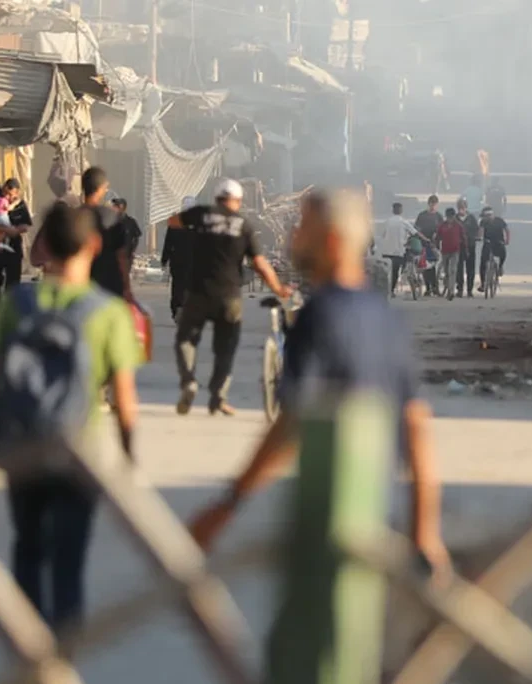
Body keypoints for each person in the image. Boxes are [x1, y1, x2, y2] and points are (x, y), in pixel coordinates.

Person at [187, 186, 450, 574]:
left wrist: (227, 506)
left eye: (302, 227)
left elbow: (292, 422)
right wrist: (425, 533)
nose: (294, 236)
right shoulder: (386, 318)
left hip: (325, 512)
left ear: (330, 240)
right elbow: (414, 423)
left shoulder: (319, 316)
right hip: (376, 508)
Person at [0, 202, 141, 641]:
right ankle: (61, 668)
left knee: (28, 550)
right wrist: (129, 464)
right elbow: (126, 404)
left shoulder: (17, 303)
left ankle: (28, 656)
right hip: (79, 452)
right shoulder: (108, 312)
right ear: (94, 246)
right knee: (69, 563)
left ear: (44, 248)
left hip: (23, 447)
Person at [167, 177, 291, 416]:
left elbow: (173, 222)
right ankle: (218, 397)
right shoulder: (243, 225)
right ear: (238, 201)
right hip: (229, 296)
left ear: (216, 198)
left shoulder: (201, 214)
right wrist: (278, 288)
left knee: (186, 339)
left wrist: (191, 227)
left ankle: (189, 382)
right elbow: (260, 264)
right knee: (225, 349)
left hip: (198, 292)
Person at [80, 167, 132, 301]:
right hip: (108, 288)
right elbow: (122, 256)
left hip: (79, 288)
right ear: (101, 188)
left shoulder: (71, 218)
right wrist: (126, 287)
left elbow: (37, 256)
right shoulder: (111, 217)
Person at [0, 178, 33, 315]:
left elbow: (26, 226)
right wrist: (5, 230)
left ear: (17, 193)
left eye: (11, 194)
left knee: (13, 281)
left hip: (14, 248)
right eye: (5, 193)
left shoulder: (21, 206)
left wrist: (15, 231)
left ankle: (8, 311)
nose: (8, 197)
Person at [161, 195, 198, 319]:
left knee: (178, 286)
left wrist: (164, 259)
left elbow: (168, 242)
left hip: (178, 261)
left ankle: (177, 308)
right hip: (191, 262)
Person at [376, 202, 419, 297]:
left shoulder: (387, 222)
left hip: (387, 251)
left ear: (393, 210)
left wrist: (378, 247)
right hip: (398, 251)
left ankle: (387, 290)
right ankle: (391, 291)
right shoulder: (403, 222)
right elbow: (415, 233)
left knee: (387, 272)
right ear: (401, 211)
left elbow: (381, 236)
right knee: (395, 272)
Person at [435, 207, 466, 302]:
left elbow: (464, 238)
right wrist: (436, 247)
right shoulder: (442, 226)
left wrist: (466, 250)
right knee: (447, 272)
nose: (450, 219)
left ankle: (451, 291)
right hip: (444, 251)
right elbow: (437, 237)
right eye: (448, 217)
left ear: (454, 217)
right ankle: (447, 286)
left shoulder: (458, 226)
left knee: (452, 270)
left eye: (451, 217)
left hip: (455, 251)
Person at [414, 195, 442, 296]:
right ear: (428, 204)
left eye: (434, 204)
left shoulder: (439, 216)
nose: (432, 206)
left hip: (434, 244)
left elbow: (442, 230)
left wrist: (436, 235)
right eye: (431, 204)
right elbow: (416, 229)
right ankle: (429, 287)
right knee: (425, 266)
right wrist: (422, 237)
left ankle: (434, 287)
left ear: (437, 205)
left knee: (433, 266)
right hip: (424, 243)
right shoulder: (422, 216)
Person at [478, 207, 510, 292]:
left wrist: (507, 240)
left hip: (498, 242)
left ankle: (500, 267)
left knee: (503, 253)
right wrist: (480, 237)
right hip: (488, 243)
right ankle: (483, 283)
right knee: (483, 263)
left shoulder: (499, 221)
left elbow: (506, 230)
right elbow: (481, 231)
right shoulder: (483, 222)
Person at [456, 199, 481, 298]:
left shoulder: (471, 218)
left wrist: (477, 237)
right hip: (459, 246)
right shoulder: (455, 219)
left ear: (466, 208)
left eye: (463, 208)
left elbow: (477, 229)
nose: (461, 210)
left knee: (470, 269)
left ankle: (469, 290)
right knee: (459, 269)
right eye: (459, 208)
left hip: (470, 245)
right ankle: (460, 289)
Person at [112, 197, 143, 267]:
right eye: (114, 206)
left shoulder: (130, 222)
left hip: (126, 256)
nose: (114, 208)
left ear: (122, 208)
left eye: (116, 206)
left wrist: (132, 250)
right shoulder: (111, 222)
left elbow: (137, 237)